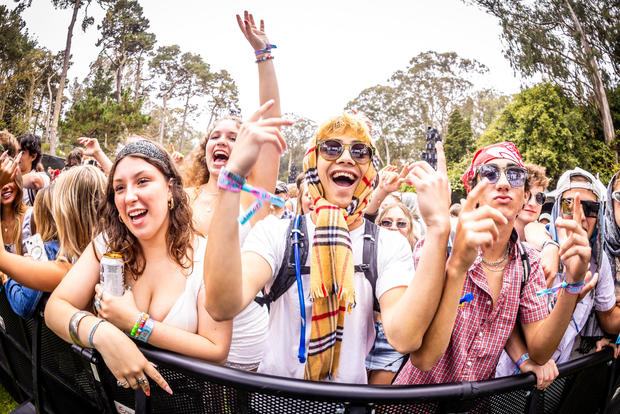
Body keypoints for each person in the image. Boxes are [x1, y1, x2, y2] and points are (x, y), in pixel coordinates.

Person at [204, 109, 451, 383]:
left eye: (359, 151)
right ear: (313, 161)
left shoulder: (388, 244)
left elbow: (405, 337)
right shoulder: (277, 232)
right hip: (275, 402)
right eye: (331, 148)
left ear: (370, 169)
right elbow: (221, 306)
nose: (346, 157)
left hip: (345, 404)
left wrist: (439, 229)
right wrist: (232, 177)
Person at [394, 142, 591, 385]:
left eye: (515, 175)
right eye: (489, 173)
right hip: (414, 401)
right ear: (472, 192)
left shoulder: (528, 262)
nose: (503, 183)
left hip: (478, 404)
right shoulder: (438, 248)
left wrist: (572, 283)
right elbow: (424, 360)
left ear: (525, 198)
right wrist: (456, 266)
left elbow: (540, 351)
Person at [45, 140, 232, 396]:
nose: (130, 196)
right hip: (114, 400)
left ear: (170, 189)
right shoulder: (106, 246)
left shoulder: (207, 255)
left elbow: (217, 350)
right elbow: (55, 308)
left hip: (180, 402)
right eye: (119, 187)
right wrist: (101, 333)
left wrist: (136, 324)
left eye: (142, 181)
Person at [182, 11, 278, 371]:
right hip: (183, 325)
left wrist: (263, 54)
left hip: (237, 329)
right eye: (214, 136)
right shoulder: (182, 196)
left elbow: (269, 120)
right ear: (205, 149)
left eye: (233, 137)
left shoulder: (253, 196)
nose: (221, 141)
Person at [0, 166, 105, 317]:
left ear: (66, 212)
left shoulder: (66, 265)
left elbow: (2, 259)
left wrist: (8, 277)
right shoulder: (112, 249)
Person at [366, 200, 418, 384]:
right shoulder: (367, 254)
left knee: (380, 402)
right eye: (386, 222)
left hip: (393, 340)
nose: (393, 227)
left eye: (401, 223)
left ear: (411, 228)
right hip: (364, 333)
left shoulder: (418, 260)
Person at [17, 133, 49, 206]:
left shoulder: (42, 176)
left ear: (33, 156)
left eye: (21, 153)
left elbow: (35, 180)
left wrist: (13, 181)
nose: (16, 156)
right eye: (15, 152)